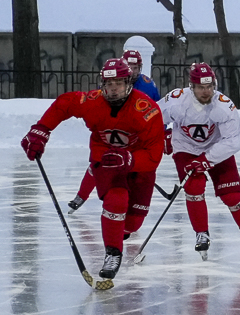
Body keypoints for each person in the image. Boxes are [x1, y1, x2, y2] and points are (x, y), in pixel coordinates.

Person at [21, 57, 165, 287]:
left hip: (138, 164)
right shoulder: (93, 101)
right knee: (116, 199)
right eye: (109, 83)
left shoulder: (146, 109)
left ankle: (119, 231)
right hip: (105, 157)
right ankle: (113, 253)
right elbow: (65, 103)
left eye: (119, 83)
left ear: (128, 83)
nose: (113, 88)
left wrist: (130, 159)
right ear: (102, 84)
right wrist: (41, 129)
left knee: (133, 223)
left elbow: (154, 155)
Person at [160, 62, 240, 260]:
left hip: (216, 148)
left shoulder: (223, 106)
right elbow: (152, 118)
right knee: (194, 187)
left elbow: (234, 141)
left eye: (209, 86)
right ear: (191, 86)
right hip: (186, 148)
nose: (206, 91)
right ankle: (201, 233)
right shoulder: (176, 101)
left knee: (232, 196)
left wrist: (207, 159)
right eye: (201, 87)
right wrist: (161, 135)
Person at [67, 48, 161, 212]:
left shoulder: (148, 85)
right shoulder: (111, 81)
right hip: (112, 134)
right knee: (97, 164)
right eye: (130, 67)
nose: (133, 71)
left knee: (135, 170)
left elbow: (157, 112)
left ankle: (128, 205)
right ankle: (81, 195)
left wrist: (161, 132)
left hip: (135, 139)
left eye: (136, 68)